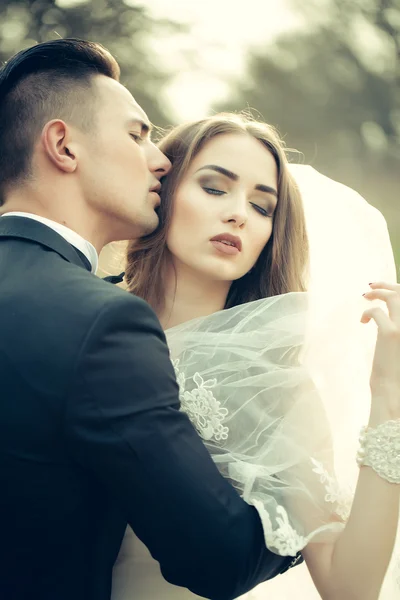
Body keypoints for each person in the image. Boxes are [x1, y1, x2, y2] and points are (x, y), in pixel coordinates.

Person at [0, 40, 301, 600]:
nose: (160, 159)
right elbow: (218, 560)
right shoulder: (104, 322)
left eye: (262, 205)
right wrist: (304, 509)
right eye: (138, 135)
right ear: (63, 145)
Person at [119, 113, 400, 599]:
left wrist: (389, 395)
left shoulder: (273, 384)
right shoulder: (84, 313)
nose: (238, 215)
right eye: (213, 188)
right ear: (161, 190)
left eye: (262, 206)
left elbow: (350, 588)